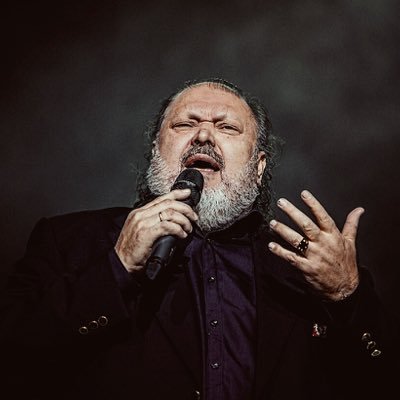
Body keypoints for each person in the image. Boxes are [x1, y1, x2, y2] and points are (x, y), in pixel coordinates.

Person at [0, 78, 397, 400]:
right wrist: (115, 268)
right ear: (156, 149)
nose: (204, 134)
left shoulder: (302, 267)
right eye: (184, 125)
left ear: (259, 167)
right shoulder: (69, 239)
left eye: (227, 127)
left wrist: (348, 296)